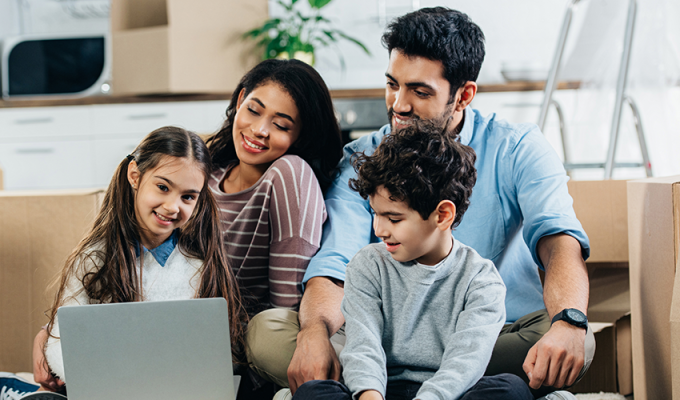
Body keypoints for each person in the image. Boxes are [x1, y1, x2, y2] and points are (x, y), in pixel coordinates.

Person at [251, 7, 594, 399]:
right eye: (392, 84)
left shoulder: (516, 147)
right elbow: (335, 263)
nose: (398, 104)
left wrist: (568, 321)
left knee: (578, 338)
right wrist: (314, 333)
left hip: (489, 336)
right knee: (268, 331)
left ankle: (413, 384)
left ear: (463, 95)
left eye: (420, 91)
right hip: (382, 341)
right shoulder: (363, 156)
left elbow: (558, 240)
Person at [0, 126, 247, 400]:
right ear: (135, 176)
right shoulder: (94, 258)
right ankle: (31, 395)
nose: (172, 206)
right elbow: (61, 344)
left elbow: (215, 353)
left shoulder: (200, 265)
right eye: (162, 187)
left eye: (187, 196)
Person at [294, 124, 533, 400]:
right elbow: (363, 346)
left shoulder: (481, 280)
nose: (380, 229)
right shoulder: (367, 265)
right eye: (376, 213)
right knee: (313, 393)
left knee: (511, 390)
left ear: (442, 215)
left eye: (394, 218)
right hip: (379, 391)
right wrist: (369, 396)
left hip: (448, 395)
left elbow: (465, 364)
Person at [204, 59, 343, 388]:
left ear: (300, 135)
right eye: (253, 110)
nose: (259, 130)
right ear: (239, 101)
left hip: (254, 357)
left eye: (281, 125)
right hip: (190, 343)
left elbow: (285, 317)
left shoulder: (289, 176)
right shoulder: (205, 174)